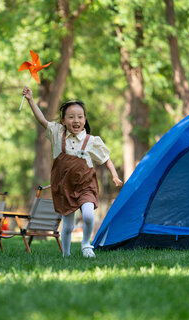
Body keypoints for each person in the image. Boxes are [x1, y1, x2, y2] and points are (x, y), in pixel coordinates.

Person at [22, 86, 123, 258]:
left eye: (80, 117)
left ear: (84, 119)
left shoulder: (91, 141)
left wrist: (114, 175)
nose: (76, 120)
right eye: (71, 117)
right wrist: (31, 100)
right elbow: (42, 121)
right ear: (63, 120)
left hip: (86, 186)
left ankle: (86, 244)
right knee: (67, 226)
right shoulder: (56, 134)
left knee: (89, 216)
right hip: (65, 187)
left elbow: (106, 158)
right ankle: (66, 255)